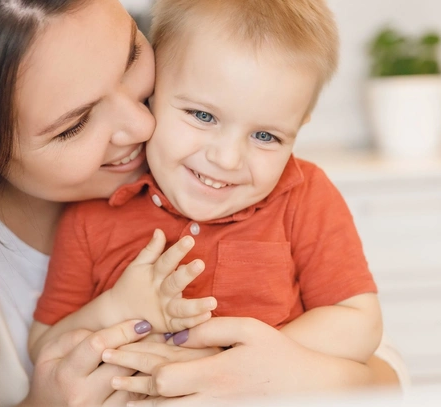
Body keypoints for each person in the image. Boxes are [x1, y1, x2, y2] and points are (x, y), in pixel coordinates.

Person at [0, 0, 407, 405]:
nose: (142, 122)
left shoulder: (262, 192)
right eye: (76, 125)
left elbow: (383, 371)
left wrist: (266, 369)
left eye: (133, 58)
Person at [28, 0, 383, 374]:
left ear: (299, 125)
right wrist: (116, 307)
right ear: (153, 92)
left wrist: (230, 363)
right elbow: (44, 350)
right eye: (203, 116)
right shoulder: (92, 214)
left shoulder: (304, 195)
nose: (227, 160)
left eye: (265, 135)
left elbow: (359, 323)